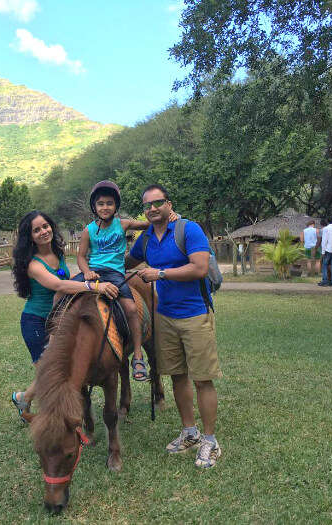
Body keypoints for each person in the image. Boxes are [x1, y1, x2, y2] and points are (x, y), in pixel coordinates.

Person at [127, 184, 223, 469]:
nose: (153, 208)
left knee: (202, 378)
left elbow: (199, 268)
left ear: (169, 204)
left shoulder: (188, 230)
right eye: (148, 205)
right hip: (164, 316)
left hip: (194, 314)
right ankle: (189, 432)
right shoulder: (145, 240)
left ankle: (210, 440)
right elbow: (124, 261)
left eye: (158, 203)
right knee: (177, 376)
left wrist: (160, 273)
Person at [10, 210, 119, 421]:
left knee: (61, 368)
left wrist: (89, 276)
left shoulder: (57, 254)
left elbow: (66, 283)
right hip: (36, 322)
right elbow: (58, 284)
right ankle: (36, 406)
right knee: (50, 373)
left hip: (59, 318)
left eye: (45, 226)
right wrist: (94, 286)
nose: (43, 231)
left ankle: (23, 398)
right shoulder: (33, 264)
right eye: (37, 230)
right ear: (29, 236)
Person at [74, 180, 157, 381]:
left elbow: (149, 223)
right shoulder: (89, 230)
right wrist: (86, 272)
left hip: (114, 274)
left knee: (130, 308)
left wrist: (167, 216)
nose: (105, 207)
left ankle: (137, 355)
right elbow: (81, 256)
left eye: (109, 203)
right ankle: (54, 339)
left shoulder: (123, 224)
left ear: (116, 206)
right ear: (94, 206)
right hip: (93, 272)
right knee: (62, 294)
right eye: (101, 203)